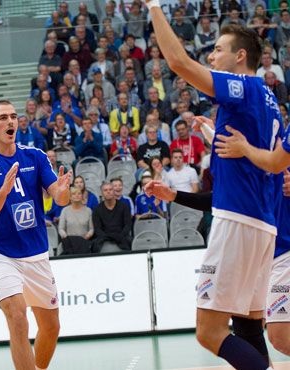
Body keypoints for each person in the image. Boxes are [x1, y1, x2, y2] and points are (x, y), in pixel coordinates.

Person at [148, 1, 279, 368]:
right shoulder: (268, 98)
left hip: (238, 220)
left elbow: (178, 62)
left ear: (240, 56)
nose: (212, 56)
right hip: (262, 224)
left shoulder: (242, 86)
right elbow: (255, 154)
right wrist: (212, 135)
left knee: (209, 332)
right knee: (250, 326)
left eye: (218, 49)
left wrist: (154, 7)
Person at [0, 100, 70, 370]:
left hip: (35, 252)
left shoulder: (34, 156)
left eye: (13, 116)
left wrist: (63, 189)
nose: (10, 121)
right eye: (3, 117)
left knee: (51, 327)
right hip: (0, 253)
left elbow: (59, 196)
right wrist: (4, 190)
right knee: (18, 316)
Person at [92, 181, 132, 252]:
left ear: (114, 192)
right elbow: (97, 229)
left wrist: (119, 236)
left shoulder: (124, 206)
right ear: (102, 193)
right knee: (95, 245)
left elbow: (127, 225)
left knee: (130, 241)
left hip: (121, 236)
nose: (108, 192)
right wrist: (107, 237)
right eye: (105, 190)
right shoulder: (97, 209)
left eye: (110, 190)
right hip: (104, 237)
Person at [58, 187, 93, 254]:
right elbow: (61, 229)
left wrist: (87, 236)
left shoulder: (88, 211)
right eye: (74, 194)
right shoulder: (65, 210)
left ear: (82, 196)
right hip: (69, 243)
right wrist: (66, 238)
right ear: (70, 197)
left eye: (79, 193)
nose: (77, 195)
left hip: (84, 242)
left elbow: (91, 229)